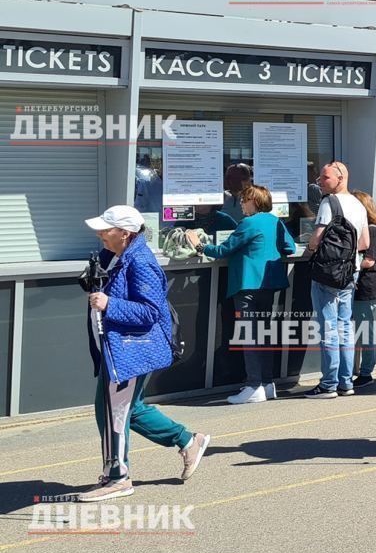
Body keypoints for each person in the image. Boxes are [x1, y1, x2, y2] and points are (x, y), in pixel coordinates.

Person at [80, 205, 211, 501]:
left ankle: (118, 477)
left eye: (106, 229)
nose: (100, 233)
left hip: (130, 351)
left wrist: (109, 304)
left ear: (124, 234)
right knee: (126, 409)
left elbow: (150, 311)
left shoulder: (140, 261)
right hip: (119, 350)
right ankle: (188, 440)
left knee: (114, 412)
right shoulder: (116, 255)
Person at [189, 184, 296, 404]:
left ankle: (253, 385)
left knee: (250, 337)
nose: (241, 204)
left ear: (254, 202)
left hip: (248, 286)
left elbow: (223, 250)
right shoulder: (275, 221)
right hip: (269, 284)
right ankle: (267, 384)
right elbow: (290, 248)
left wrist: (199, 246)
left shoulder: (249, 223)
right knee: (264, 336)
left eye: (244, 200)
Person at [305, 161, 371, 399]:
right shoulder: (358, 204)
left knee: (328, 328)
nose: (320, 182)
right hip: (350, 272)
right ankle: (345, 382)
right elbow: (365, 244)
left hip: (327, 273)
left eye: (325, 178)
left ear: (340, 178)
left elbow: (317, 237)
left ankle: (328, 383)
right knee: (344, 327)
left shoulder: (328, 202)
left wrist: (312, 246)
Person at [351, 190, 376, 388]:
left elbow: (369, 261)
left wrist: (348, 261)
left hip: (367, 287)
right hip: (360, 287)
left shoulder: (371, 230)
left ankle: (366, 372)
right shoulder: (362, 229)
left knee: (366, 332)